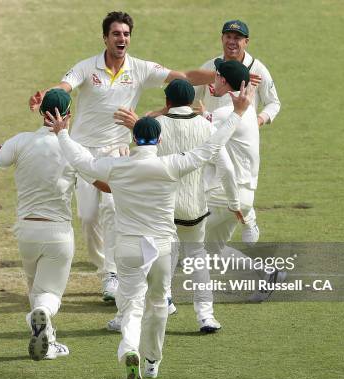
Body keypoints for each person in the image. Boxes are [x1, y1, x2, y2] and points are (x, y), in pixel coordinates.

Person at [46, 77, 254, 379]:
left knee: (131, 308)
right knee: (158, 304)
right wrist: (239, 112)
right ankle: (153, 361)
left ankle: (129, 349)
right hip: (161, 246)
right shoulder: (171, 165)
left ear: (134, 139)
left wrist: (61, 133)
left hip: (128, 246)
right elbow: (210, 148)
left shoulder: (118, 167)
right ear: (157, 140)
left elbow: (80, 161)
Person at [28, 11, 216, 314]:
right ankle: (105, 269)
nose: (122, 39)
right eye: (116, 34)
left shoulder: (140, 68)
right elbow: (65, 86)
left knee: (114, 210)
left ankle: (112, 276)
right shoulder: (87, 67)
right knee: (89, 217)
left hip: (119, 151)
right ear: (105, 37)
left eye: (126, 34)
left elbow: (183, 77)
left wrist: (222, 76)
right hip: (85, 152)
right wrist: (48, 97)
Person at [0, 89, 107, 360]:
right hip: (58, 234)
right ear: (68, 115)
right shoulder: (74, 150)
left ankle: (48, 342)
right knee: (49, 295)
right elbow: (106, 184)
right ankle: (44, 317)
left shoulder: (21, 142)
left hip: (26, 233)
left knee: (37, 290)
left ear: (40, 112)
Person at [115, 79, 243, 333]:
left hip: (161, 210)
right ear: (192, 103)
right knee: (197, 258)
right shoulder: (206, 127)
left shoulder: (157, 126)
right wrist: (234, 203)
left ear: (167, 102)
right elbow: (226, 169)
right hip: (195, 207)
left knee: (146, 262)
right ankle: (206, 316)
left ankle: (129, 316)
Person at [203, 59, 286, 301]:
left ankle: (154, 297)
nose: (213, 79)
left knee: (176, 236)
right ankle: (268, 273)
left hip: (225, 195)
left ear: (224, 81)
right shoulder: (246, 110)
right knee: (213, 250)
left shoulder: (224, 113)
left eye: (217, 76)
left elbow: (190, 129)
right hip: (242, 196)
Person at [195, 19, 281, 245]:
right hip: (215, 135)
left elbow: (274, 103)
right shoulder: (210, 66)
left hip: (231, 134)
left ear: (246, 42)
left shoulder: (258, 70)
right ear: (222, 38)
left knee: (188, 228)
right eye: (228, 37)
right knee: (212, 249)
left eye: (237, 38)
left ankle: (245, 211)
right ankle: (245, 212)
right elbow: (190, 96)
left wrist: (257, 122)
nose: (232, 42)